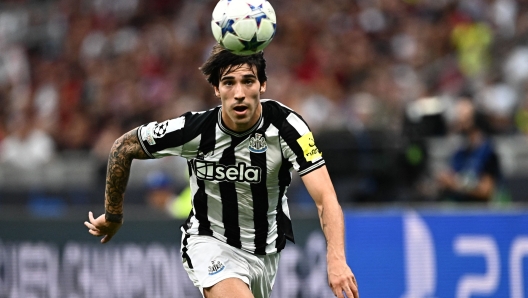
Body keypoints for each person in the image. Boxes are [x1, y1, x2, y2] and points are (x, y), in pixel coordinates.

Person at [84, 44, 359, 298]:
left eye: (248, 81)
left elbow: (326, 199)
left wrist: (336, 259)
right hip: (209, 242)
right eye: (228, 82)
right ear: (216, 89)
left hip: (266, 253)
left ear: (263, 85)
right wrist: (114, 214)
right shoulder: (195, 130)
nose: (239, 93)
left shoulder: (288, 128)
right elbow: (124, 146)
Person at [436, 96, 502, 202]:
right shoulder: (460, 152)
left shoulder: (487, 152)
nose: (458, 121)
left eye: (463, 117)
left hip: (480, 214)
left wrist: (454, 184)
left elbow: (486, 191)